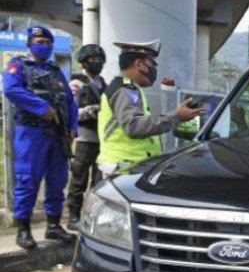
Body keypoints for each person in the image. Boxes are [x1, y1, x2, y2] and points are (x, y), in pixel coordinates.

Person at [3, 25, 78, 250]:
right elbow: (11, 90)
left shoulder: (56, 71)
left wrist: (73, 127)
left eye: (47, 43)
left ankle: (53, 226)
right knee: (27, 180)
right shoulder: (18, 66)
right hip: (31, 133)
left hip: (58, 135)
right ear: (29, 44)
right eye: (39, 42)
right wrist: (42, 107)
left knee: (58, 181)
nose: (43, 46)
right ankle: (23, 229)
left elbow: (69, 102)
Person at [96, 40, 203, 177]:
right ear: (139, 65)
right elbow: (134, 126)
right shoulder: (125, 90)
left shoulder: (130, 89)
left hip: (127, 167)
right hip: (122, 169)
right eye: (152, 64)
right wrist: (176, 116)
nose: (154, 70)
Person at [66, 44, 107, 229]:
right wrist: (89, 111)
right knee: (79, 179)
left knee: (99, 182)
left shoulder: (104, 84)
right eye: (92, 60)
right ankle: (73, 217)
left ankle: (94, 217)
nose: (96, 63)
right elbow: (70, 111)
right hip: (84, 139)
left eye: (99, 60)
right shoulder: (76, 84)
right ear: (84, 62)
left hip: (102, 140)